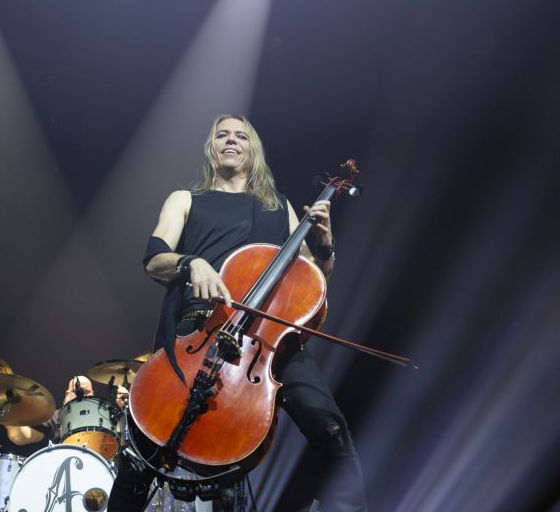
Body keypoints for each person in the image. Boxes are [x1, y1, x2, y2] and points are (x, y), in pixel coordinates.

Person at [109, 115, 367, 511]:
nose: (231, 140)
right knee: (144, 449)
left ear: (252, 150)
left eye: (240, 135)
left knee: (331, 429)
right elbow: (153, 259)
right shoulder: (185, 199)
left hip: (268, 337)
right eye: (222, 135)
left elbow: (314, 283)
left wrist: (326, 245)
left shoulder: (278, 208)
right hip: (204, 325)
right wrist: (192, 263)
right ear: (212, 148)